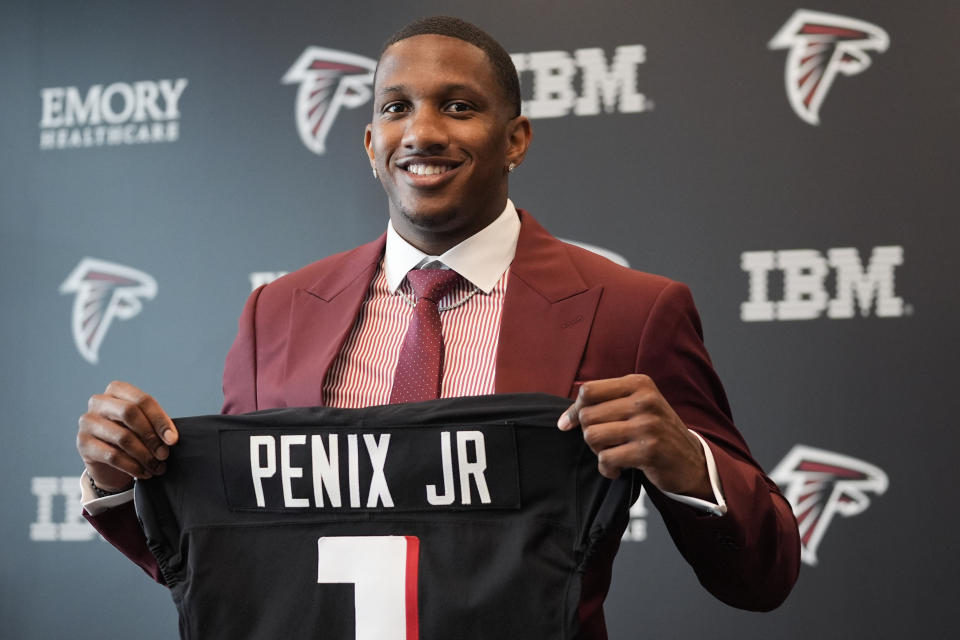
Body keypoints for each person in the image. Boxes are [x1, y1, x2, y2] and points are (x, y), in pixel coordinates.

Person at [76, 15, 799, 636]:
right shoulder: (279, 312)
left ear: (515, 139)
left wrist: (685, 463)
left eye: (457, 106)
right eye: (396, 107)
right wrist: (116, 482)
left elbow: (762, 577)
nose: (421, 131)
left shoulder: (632, 309)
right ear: (369, 143)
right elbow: (237, 561)